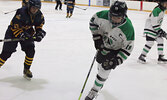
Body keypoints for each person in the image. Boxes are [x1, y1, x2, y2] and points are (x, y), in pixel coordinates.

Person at [85, 1, 135, 100]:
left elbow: (127, 49)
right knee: (100, 66)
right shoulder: (102, 15)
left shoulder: (128, 29)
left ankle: (94, 90)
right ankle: (100, 82)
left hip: (115, 51)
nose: (114, 20)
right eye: (112, 16)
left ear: (124, 16)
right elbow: (92, 22)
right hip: (103, 46)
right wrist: (97, 38)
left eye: (118, 17)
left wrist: (116, 61)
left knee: (105, 68)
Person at [0, 0, 46, 79]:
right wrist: (21, 34)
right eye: (33, 8)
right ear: (29, 6)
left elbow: (39, 25)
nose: (35, 10)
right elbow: (15, 26)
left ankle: (26, 69)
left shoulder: (39, 15)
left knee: (31, 50)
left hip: (27, 32)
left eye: (37, 8)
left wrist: (39, 33)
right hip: (12, 32)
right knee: (6, 53)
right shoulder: (21, 12)